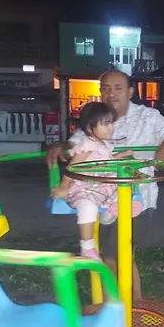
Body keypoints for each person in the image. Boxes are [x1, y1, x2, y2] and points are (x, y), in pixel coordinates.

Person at [47, 70, 164, 300]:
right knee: (116, 253)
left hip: (137, 198)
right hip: (100, 197)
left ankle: (117, 307)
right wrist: (60, 146)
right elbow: (76, 145)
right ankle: (130, 304)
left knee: (115, 254)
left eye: (118, 88)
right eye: (105, 88)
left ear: (130, 92)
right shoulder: (95, 118)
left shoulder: (148, 117)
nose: (111, 93)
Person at [51, 102, 141, 260]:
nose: (111, 128)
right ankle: (87, 247)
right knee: (88, 207)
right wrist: (64, 186)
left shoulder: (103, 144)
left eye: (111, 123)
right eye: (105, 124)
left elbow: (103, 162)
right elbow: (73, 167)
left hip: (101, 186)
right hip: (85, 188)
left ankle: (119, 205)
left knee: (123, 190)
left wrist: (119, 156)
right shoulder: (87, 144)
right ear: (90, 127)